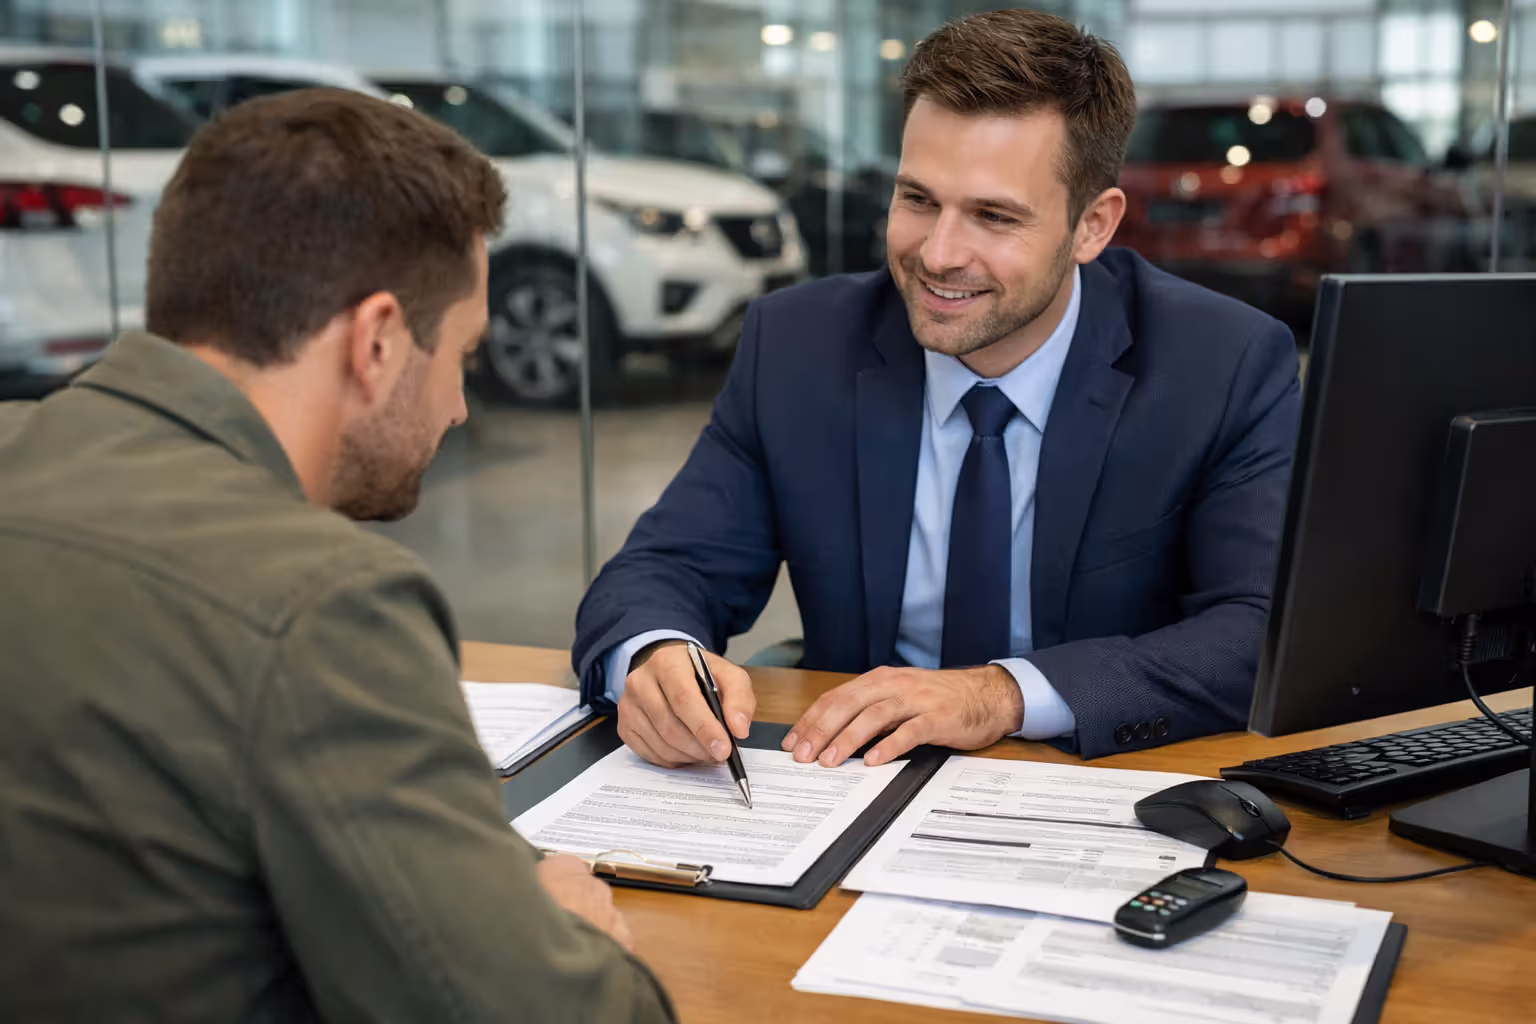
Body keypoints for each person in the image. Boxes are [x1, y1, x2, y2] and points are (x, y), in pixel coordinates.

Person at [0, 90, 673, 1023]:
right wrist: (572, 930)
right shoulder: (321, 603)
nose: (459, 408)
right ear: (379, 340)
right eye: (462, 357)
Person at [573, 10, 1301, 768]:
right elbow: (668, 566)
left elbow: (1260, 629)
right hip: (852, 785)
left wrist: (1000, 695)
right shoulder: (798, 346)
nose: (939, 253)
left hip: (1092, 786)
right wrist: (656, 656)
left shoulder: (1220, 363)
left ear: (1092, 227)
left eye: (993, 216)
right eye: (918, 199)